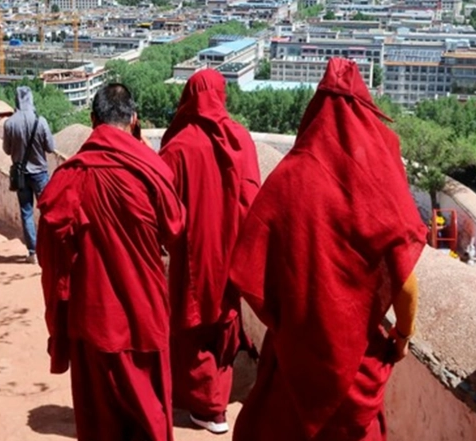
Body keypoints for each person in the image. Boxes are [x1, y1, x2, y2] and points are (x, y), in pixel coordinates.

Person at [228, 58, 426, 441]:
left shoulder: (289, 176)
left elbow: (251, 269)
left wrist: (292, 321)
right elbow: (404, 282)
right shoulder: (377, 180)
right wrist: (402, 336)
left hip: (296, 353)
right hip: (357, 359)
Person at [36, 84, 185, 441]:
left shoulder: (72, 175)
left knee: (99, 423)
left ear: (92, 121)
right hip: (145, 313)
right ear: (134, 120)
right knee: (149, 419)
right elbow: (175, 231)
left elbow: (49, 253)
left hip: (92, 319)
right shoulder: (152, 170)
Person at [158, 69, 261, 434]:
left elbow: (163, 209)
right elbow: (252, 199)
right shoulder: (241, 140)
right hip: (231, 252)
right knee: (223, 323)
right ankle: (214, 406)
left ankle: (204, 406)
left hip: (192, 254)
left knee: (191, 323)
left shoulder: (177, 147)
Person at [2, 86, 55, 263]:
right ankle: (50, 248)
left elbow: (7, 150)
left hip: (21, 175)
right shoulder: (41, 121)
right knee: (47, 211)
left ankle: (33, 252)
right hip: (40, 173)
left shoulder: (10, 123)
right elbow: (50, 147)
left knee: (26, 212)